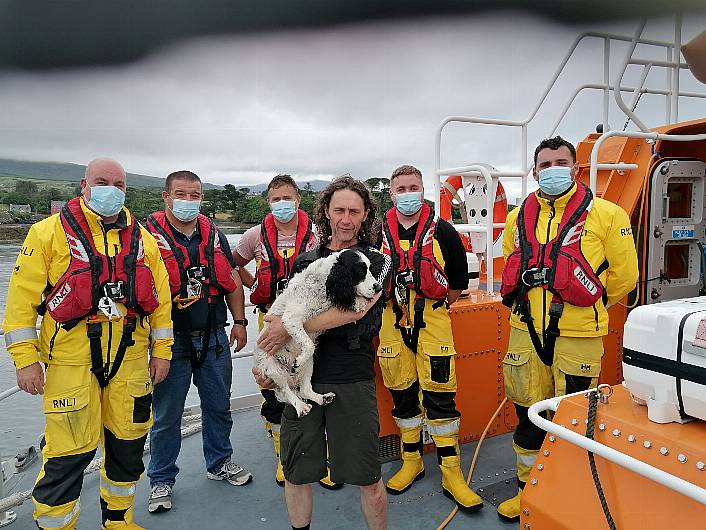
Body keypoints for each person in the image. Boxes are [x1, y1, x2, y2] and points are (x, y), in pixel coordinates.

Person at [2, 158, 173, 530]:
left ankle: (119, 521)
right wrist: (25, 360)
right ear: (84, 185)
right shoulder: (46, 234)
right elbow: (19, 306)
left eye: (118, 184)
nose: (111, 189)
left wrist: (162, 352)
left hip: (130, 363)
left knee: (128, 449)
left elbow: (161, 304)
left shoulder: (144, 239)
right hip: (69, 364)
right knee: (67, 455)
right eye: (102, 181)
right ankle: (58, 525)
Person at [497, 136, 639, 521]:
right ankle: (528, 492)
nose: (552, 169)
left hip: (579, 336)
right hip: (524, 330)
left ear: (575, 169)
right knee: (527, 414)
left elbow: (625, 276)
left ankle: (571, 496)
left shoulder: (608, 215)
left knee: (575, 419)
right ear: (534, 171)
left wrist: (587, 304)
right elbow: (511, 260)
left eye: (561, 162)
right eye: (545, 164)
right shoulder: (516, 217)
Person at [254, 176, 389, 530]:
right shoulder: (306, 260)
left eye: (354, 211)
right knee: (297, 473)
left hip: (351, 374)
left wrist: (291, 327)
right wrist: (269, 363)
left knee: (368, 478)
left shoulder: (376, 261)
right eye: (339, 209)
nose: (345, 218)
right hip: (300, 376)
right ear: (326, 212)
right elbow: (281, 314)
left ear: (365, 215)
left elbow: (355, 311)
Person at [376, 165, 484, 512]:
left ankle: (451, 472)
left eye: (413, 187)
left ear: (423, 190)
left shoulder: (444, 232)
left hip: (433, 319)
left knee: (441, 397)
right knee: (402, 394)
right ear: (391, 193)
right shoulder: (379, 233)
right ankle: (412, 461)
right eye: (400, 188)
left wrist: (429, 302)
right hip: (391, 320)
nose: (407, 193)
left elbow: (456, 284)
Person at [144, 170, 252, 513]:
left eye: (194, 194)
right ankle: (161, 480)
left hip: (214, 336)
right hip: (168, 343)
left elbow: (231, 279)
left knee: (219, 405)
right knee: (166, 416)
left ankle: (220, 462)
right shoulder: (147, 236)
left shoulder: (213, 233)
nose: (188, 200)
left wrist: (239, 321)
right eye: (181, 193)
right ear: (166, 196)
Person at [233, 174, 325, 488]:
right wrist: (255, 285)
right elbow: (233, 264)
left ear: (298, 201)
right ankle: (282, 458)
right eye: (275, 199)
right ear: (268, 201)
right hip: (268, 321)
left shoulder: (316, 235)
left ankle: (319, 455)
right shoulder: (253, 236)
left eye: (287, 198)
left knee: (312, 381)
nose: (281, 204)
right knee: (273, 386)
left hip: (307, 325)